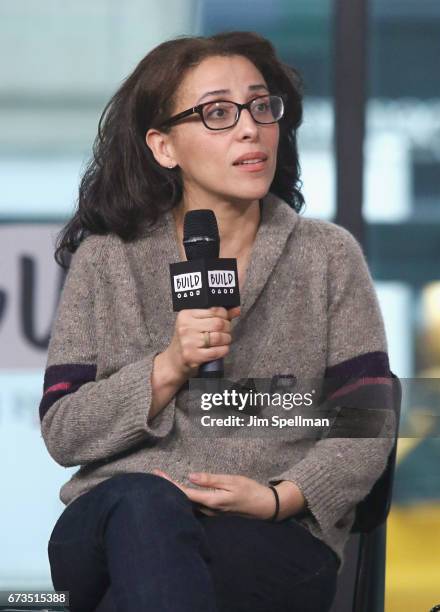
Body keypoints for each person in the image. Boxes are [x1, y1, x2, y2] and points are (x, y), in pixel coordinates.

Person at [40, 31, 395, 612]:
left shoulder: (327, 256)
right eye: (217, 113)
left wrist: (279, 497)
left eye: (261, 106)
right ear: (163, 147)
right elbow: (63, 428)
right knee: (145, 510)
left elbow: (365, 422)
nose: (250, 128)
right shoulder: (108, 258)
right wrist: (168, 367)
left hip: (270, 534)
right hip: (111, 521)